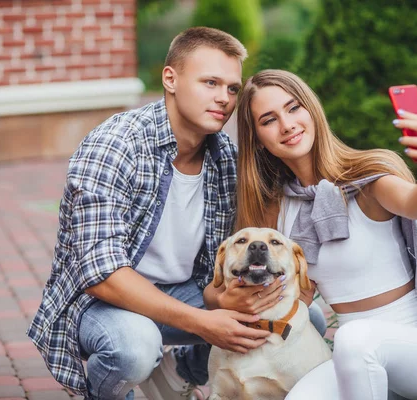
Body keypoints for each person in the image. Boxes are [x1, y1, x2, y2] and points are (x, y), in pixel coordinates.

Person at [27, 29, 326, 400]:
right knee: (134, 349)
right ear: (170, 78)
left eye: (232, 88)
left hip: (186, 292)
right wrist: (204, 321)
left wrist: (225, 300)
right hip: (104, 301)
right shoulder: (115, 145)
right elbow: (99, 274)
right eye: (210, 83)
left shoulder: (225, 158)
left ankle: (177, 371)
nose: (223, 99)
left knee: (300, 319)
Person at [234, 69, 417, 400]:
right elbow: (292, 298)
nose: (286, 125)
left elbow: (416, 205)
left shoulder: (367, 180)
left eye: (293, 108)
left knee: (354, 338)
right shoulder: (279, 211)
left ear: (311, 110)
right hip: (354, 361)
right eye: (269, 120)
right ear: (257, 137)